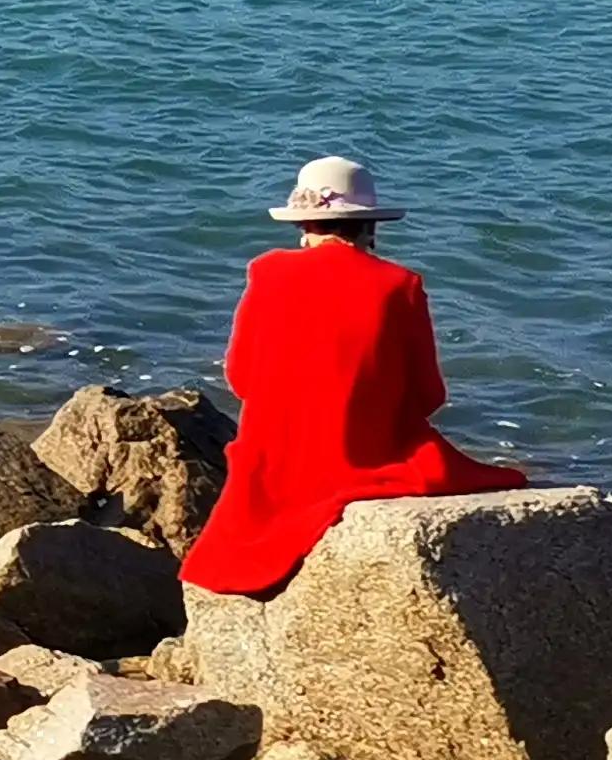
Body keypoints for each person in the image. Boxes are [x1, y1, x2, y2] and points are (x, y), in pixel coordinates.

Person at [178, 156, 524, 596]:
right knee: (492, 474)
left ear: (302, 223)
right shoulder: (399, 284)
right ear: (369, 226)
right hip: (359, 455)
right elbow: (428, 395)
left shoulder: (266, 273)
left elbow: (242, 377)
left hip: (272, 455)